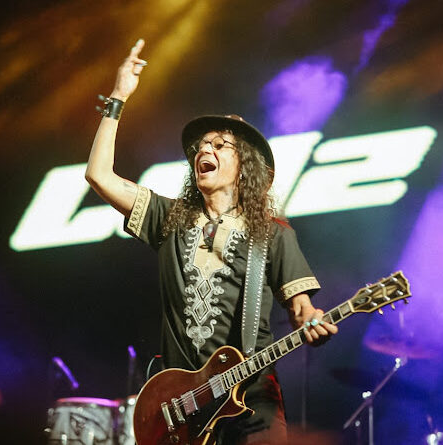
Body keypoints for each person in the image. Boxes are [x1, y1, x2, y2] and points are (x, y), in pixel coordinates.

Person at [86, 39, 338, 444]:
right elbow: (99, 175)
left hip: (251, 399)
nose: (205, 148)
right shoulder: (168, 218)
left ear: (245, 166)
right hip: (179, 405)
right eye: (201, 146)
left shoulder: (273, 233)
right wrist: (118, 97)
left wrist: (312, 321)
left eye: (220, 145)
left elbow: (301, 308)